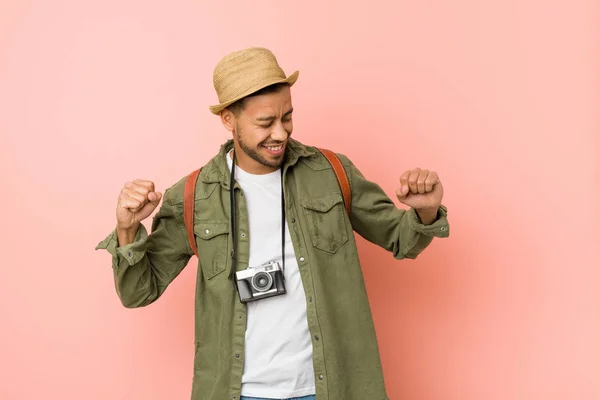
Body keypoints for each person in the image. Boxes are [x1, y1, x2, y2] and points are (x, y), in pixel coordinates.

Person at [95, 47, 450, 400]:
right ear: (229, 120)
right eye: (265, 122)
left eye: (288, 117)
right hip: (240, 392)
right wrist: (127, 228)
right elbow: (137, 292)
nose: (280, 133)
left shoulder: (331, 172)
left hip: (332, 387)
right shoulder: (192, 196)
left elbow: (402, 240)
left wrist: (425, 213)